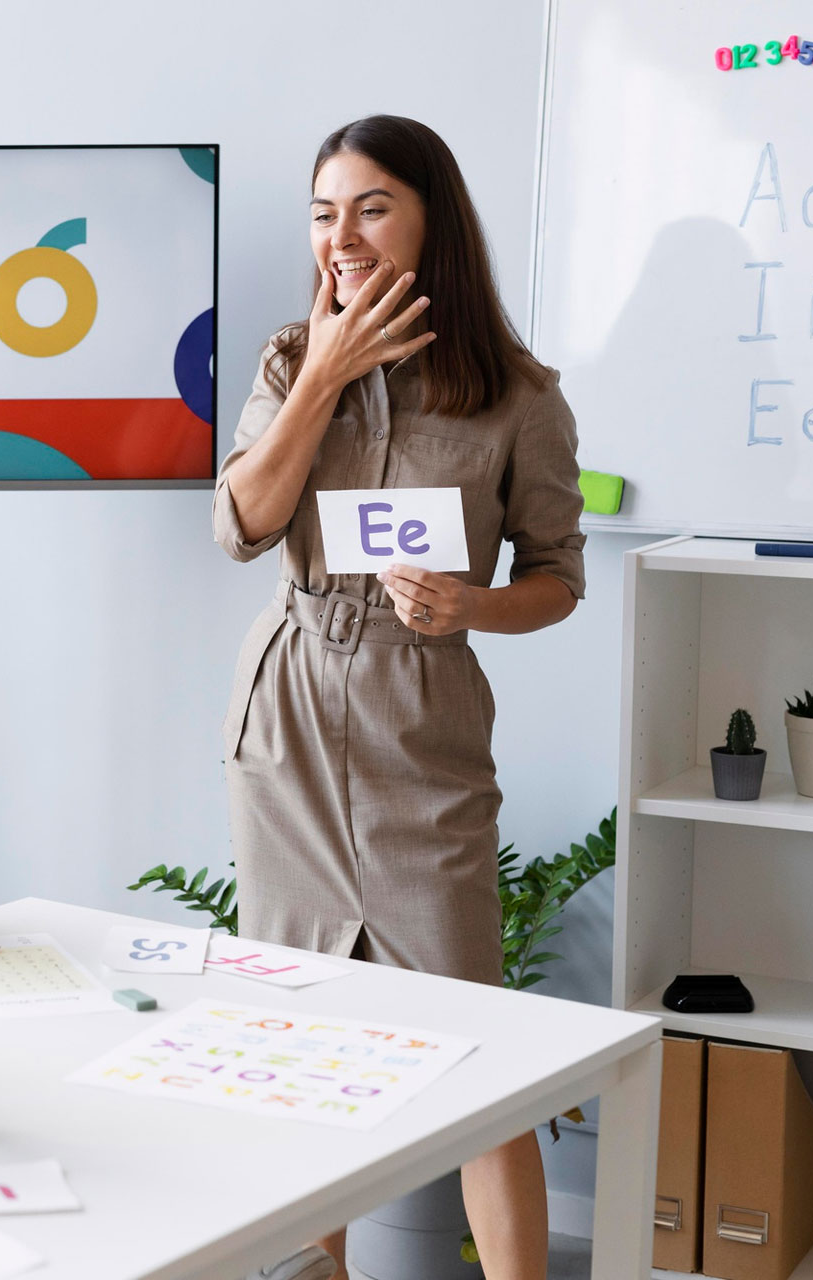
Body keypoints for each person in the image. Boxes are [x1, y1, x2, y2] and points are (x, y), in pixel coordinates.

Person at [216, 115, 584, 1280]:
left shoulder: (519, 397)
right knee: (299, 1052)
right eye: (325, 213)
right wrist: (324, 370)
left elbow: (558, 578)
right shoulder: (290, 362)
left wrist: (469, 606)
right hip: (289, 720)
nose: (344, 236)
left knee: (482, 1053)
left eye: (371, 207)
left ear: (432, 218)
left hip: (420, 718)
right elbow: (240, 525)